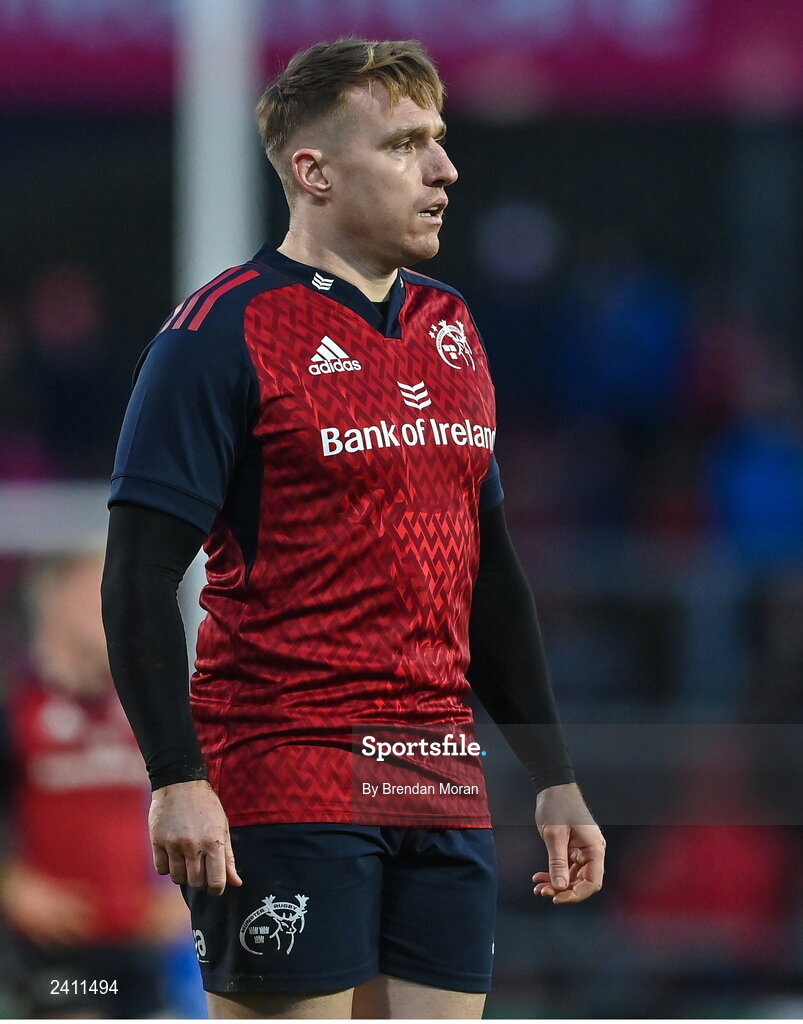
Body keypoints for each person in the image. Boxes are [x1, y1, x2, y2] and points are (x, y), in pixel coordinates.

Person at [101, 38, 606, 1020]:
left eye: (440, 140)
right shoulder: (219, 333)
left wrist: (553, 774)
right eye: (406, 143)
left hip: (436, 772)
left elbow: (488, 572)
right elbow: (137, 572)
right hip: (286, 761)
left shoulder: (451, 325)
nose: (443, 168)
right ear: (314, 170)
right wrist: (175, 775)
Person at [0, 553, 190, 1018]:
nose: (114, 610)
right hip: (50, 953)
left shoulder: (152, 713)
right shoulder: (16, 708)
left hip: (141, 949)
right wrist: (10, 885)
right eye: (97, 595)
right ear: (54, 603)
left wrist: (190, 896)